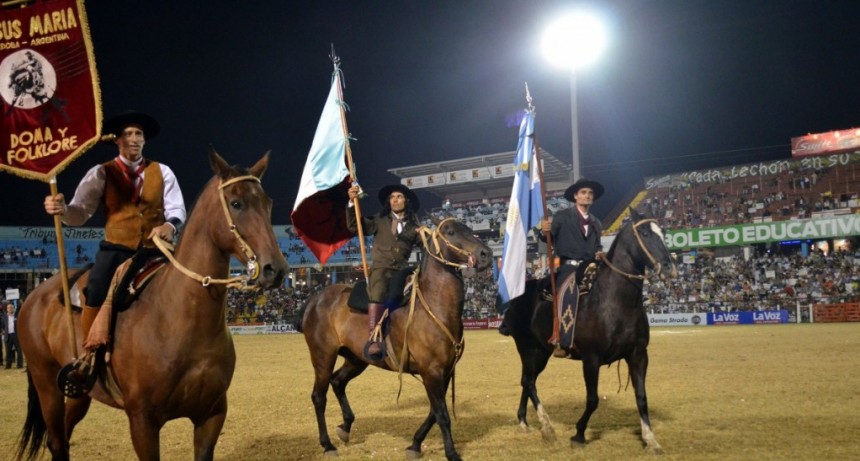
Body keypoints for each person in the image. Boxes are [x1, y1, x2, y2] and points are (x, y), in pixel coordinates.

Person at [43, 111, 186, 352]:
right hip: (116, 249)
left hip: (155, 250)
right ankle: (89, 352)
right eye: (128, 134)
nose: (134, 138)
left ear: (144, 140)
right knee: (96, 287)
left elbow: (177, 209)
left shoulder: (163, 172)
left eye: (138, 134)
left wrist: (169, 226)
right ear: (117, 141)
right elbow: (79, 213)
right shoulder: (100, 173)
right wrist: (62, 209)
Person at [346, 183, 421, 361]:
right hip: (382, 269)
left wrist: (426, 234)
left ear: (406, 201)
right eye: (392, 197)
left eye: (399, 197)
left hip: (403, 269)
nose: (395, 200)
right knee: (378, 289)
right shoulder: (379, 219)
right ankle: (374, 338)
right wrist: (351, 203)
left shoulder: (414, 225)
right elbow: (354, 226)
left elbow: (425, 244)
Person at [540, 177, 605, 292]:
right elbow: (548, 237)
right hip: (567, 269)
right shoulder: (562, 216)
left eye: (590, 193)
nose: (587, 195)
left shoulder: (597, 223)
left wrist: (600, 254)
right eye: (583, 192)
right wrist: (544, 230)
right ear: (575, 196)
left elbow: (597, 247)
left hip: (590, 270)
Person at [2, 303, 23, 369]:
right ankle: (8, 365)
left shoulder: (17, 316)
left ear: (14, 308)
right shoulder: (4, 317)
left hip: (16, 335)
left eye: (11, 307)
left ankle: (20, 365)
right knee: (8, 351)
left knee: (19, 351)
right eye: (9, 308)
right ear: (7, 309)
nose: (10, 309)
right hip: (8, 336)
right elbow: (3, 325)